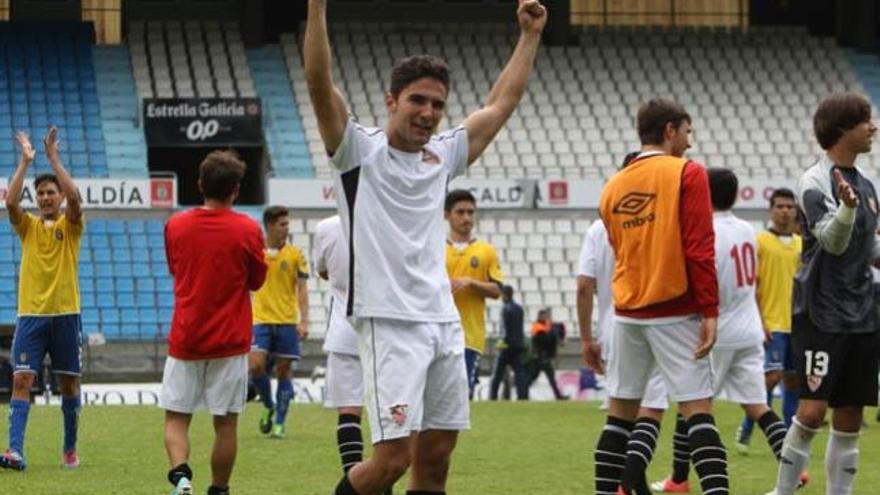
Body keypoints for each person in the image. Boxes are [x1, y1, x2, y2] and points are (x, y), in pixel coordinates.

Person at [304, 0, 546, 492]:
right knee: (392, 460)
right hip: (387, 321)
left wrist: (530, 35)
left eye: (437, 104)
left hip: (442, 321)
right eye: (417, 100)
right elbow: (318, 83)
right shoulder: (357, 151)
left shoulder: (444, 154)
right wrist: (316, 9)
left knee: (435, 458)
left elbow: (501, 104)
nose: (429, 113)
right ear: (391, 100)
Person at [591, 99, 728, 495]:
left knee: (619, 417)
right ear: (669, 130)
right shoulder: (688, 173)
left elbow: (620, 246)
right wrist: (710, 311)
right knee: (698, 413)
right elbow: (699, 248)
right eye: (687, 131)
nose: (690, 140)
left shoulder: (612, 187)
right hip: (675, 308)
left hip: (627, 313)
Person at [635, 168, 797, 494]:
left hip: (718, 331)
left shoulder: (707, 230)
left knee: (691, 404)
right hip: (750, 327)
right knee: (758, 405)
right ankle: (795, 470)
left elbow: (709, 281)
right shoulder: (747, 231)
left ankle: (678, 480)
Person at [770, 93, 879, 495]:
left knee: (850, 417)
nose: (873, 127)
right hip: (822, 312)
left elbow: (868, 250)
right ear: (841, 129)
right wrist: (847, 211)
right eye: (865, 120)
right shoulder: (814, 180)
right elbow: (832, 242)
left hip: (863, 313)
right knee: (813, 413)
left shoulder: (867, 185)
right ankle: (783, 491)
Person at [160, 150, 267, 495]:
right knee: (226, 423)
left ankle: (181, 476)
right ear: (236, 189)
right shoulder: (248, 230)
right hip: (230, 341)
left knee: (177, 417)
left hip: (187, 337)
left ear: (200, 184)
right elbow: (256, 281)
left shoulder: (175, 225)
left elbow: (176, 269)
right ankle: (219, 489)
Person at [1, 128, 84, 471]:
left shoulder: (72, 224)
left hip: (65, 314)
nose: (47, 198)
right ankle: (15, 451)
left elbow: (77, 199)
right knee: (22, 379)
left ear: (59, 196)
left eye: (51, 192)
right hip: (31, 315)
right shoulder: (28, 227)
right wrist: (25, 161)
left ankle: (69, 448)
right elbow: (10, 202)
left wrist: (53, 159)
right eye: (42, 194)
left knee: (69, 385)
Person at [314, 215, 393, 495]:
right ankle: (380, 483)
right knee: (386, 412)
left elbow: (323, 271)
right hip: (384, 328)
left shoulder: (326, 228)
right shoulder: (387, 220)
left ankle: (356, 481)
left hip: (345, 328)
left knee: (349, 412)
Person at [736, 188, 802, 452]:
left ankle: (787, 439)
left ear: (795, 211)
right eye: (780, 206)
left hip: (796, 324)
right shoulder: (760, 241)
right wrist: (758, 320)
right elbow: (752, 285)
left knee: (793, 381)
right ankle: (748, 427)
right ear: (771, 210)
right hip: (770, 323)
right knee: (771, 378)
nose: (785, 210)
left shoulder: (801, 244)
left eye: (789, 206)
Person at [249, 205, 310, 439]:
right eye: (283, 224)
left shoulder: (295, 254)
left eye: (287, 224)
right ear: (270, 226)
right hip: (260, 319)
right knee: (255, 366)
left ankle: (280, 424)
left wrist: (304, 321)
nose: (287, 228)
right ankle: (268, 405)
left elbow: (302, 289)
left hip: (286, 321)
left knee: (284, 372)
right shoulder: (256, 252)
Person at [445, 188, 503, 399]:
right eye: (460, 212)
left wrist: (471, 282)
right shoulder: (434, 248)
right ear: (446, 214)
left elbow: (497, 290)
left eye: (470, 212)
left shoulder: (486, 251)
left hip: (469, 337)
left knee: (462, 398)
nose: (466, 217)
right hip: (436, 335)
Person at [576, 219, 614, 409]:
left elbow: (584, 286)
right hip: (654, 319)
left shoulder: (598, 230)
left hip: (613, 325)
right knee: (651, 405)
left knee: (619, 408)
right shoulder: (656, 220)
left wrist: (586, 339)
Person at [489, 285, 528, 400]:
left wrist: (501, 344)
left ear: (504, 295)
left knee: (497, 374)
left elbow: (505, 329)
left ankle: (493, 397)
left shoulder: (505, 308)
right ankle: (522, 396)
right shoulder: (519, 308)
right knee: (519, 373)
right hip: (519, 344)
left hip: (507, 346)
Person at [528, 308, 567, 400]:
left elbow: (560, 327)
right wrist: (554, 334)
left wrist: (558, 335)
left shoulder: (546, 326)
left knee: (534, 377)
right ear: (539, 316)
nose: (545, 317)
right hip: (541, 357)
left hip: (542, 357)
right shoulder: (537, 327)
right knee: (544, 378)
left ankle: (522, 393)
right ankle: (558, 396)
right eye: (543, 315)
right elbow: (547, 339)